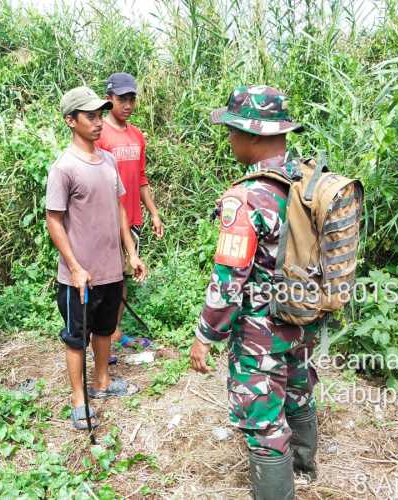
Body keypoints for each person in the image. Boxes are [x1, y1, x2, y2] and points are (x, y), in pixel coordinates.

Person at [188, 85, 321, 499]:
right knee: (298, 391)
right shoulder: (306, 181)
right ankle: (305, 465)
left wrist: (205, 335)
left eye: (231, 130)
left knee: (263, 422)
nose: (228, 139)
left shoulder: (245, 198)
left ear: (252, 136)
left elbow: (228, 281)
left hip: (260, 331)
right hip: (301, 317)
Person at [46, 86, 148, 430]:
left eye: (99, 115)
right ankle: (79, 401)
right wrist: (74, 267)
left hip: (110, 268)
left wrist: (130, 253)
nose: (98, 122)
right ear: (70, 121)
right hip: (80, 275)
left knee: (104, 330)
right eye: (90, 116)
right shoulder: (64, 167)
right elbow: (54, 220)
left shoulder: (106, 160)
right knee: (77, 336)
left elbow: (119, 207)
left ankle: (102, 382)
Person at [96, 72, 162, 359]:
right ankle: (102, 335)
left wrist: (154, 213)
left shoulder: (136, 136)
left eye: (132, 98)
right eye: (122, 99)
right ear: (109, 98)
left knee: (123, 277)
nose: (128, 104)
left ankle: (114, 330)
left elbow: (142, 179)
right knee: (105, 280)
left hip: (132, 219)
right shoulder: (100, 135)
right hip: (107, 220)